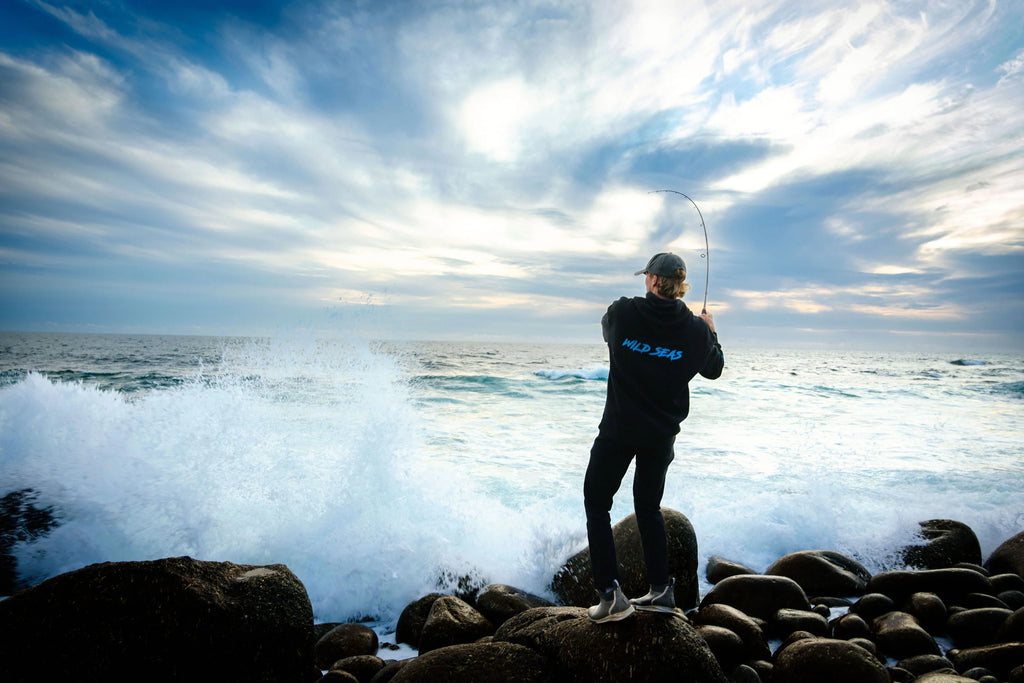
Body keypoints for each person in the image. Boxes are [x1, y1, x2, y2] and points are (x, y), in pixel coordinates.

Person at [585, 252, 724, 623]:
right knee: (648, 508)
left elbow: (606, 330)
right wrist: (710, 331)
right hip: (660, 436)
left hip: (617, 430)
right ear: (681, 286)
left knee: (597, 503)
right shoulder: (695, 330)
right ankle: (662, 591)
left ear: (650, 280)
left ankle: (611, 595)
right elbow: (714, 370)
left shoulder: (624, 312)